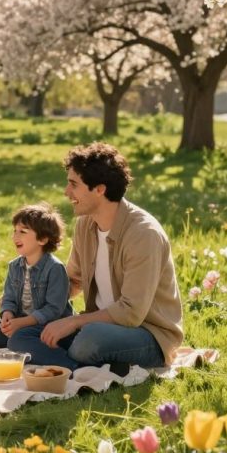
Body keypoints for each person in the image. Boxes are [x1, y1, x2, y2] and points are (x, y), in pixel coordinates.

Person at [27, 142, 183, 374]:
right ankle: (80, 361)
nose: (66, 192)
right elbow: (74, 280)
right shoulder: (85, 224)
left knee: (89, 340)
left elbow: (131, 312)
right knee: (18, 334)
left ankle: (64, 361)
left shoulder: (143, 234)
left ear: (100, 189)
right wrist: (29, 300)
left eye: (73, 184)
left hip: (148, 334)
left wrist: (73, 322)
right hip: (97, 324)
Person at [0, 203, 73, 354]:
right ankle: (18, 343)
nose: (15, 236)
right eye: (15, 231)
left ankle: (64, 360)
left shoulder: (55, 268)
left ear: (42, 239)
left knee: (20, 338)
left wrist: (23, 323)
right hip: (21, 325)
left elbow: (53, 309)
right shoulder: (14, 266)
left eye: (23, 232)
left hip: (48, 328)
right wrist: (7, 314)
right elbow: (9, 297)